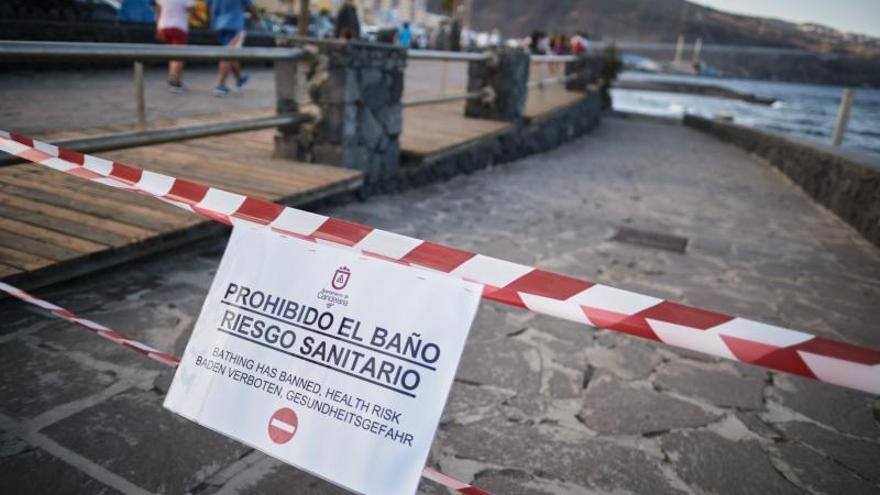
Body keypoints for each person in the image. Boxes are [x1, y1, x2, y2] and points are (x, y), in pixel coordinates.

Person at [209, 0, 260, 97]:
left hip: (220, 26)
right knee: (228, 54)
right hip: (235, 27)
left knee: (231, 54)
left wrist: (213, 25)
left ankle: (239, 79)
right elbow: (251, 7)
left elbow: (212, 9)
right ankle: (220, 86)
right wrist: (256, 19)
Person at [155, 0, 196, 93]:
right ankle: (176, 83)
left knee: (172, 55)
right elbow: (192, 9)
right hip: (179, 26)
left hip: (163, 26)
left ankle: (173, 79)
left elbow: (158, 8)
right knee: (178, 56)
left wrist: (158, 25)